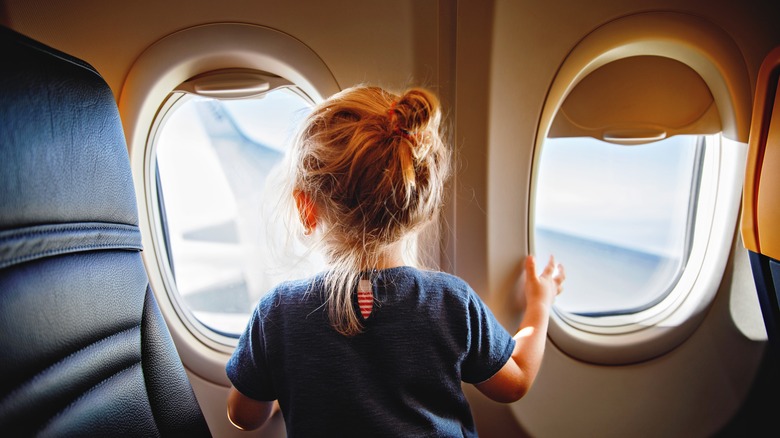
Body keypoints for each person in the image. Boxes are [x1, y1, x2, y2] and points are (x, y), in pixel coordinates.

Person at [225, 85, 565, 436]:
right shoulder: (450, 302)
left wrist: (287, 381)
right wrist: (541, 302)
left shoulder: (277, 313)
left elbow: (244, 416)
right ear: (421, 203)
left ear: (306, 208)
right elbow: (516, 381)